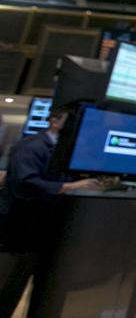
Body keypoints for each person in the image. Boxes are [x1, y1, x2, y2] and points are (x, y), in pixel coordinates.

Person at [0, 107, 100, 318]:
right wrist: (70, 187)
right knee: (7, 283)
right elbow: (24, 183)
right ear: (54, 121)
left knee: (22, 285)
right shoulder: (32, 146)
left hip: (40, 230)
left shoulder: (63, 150)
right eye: (70, 121)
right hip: (18, 228)